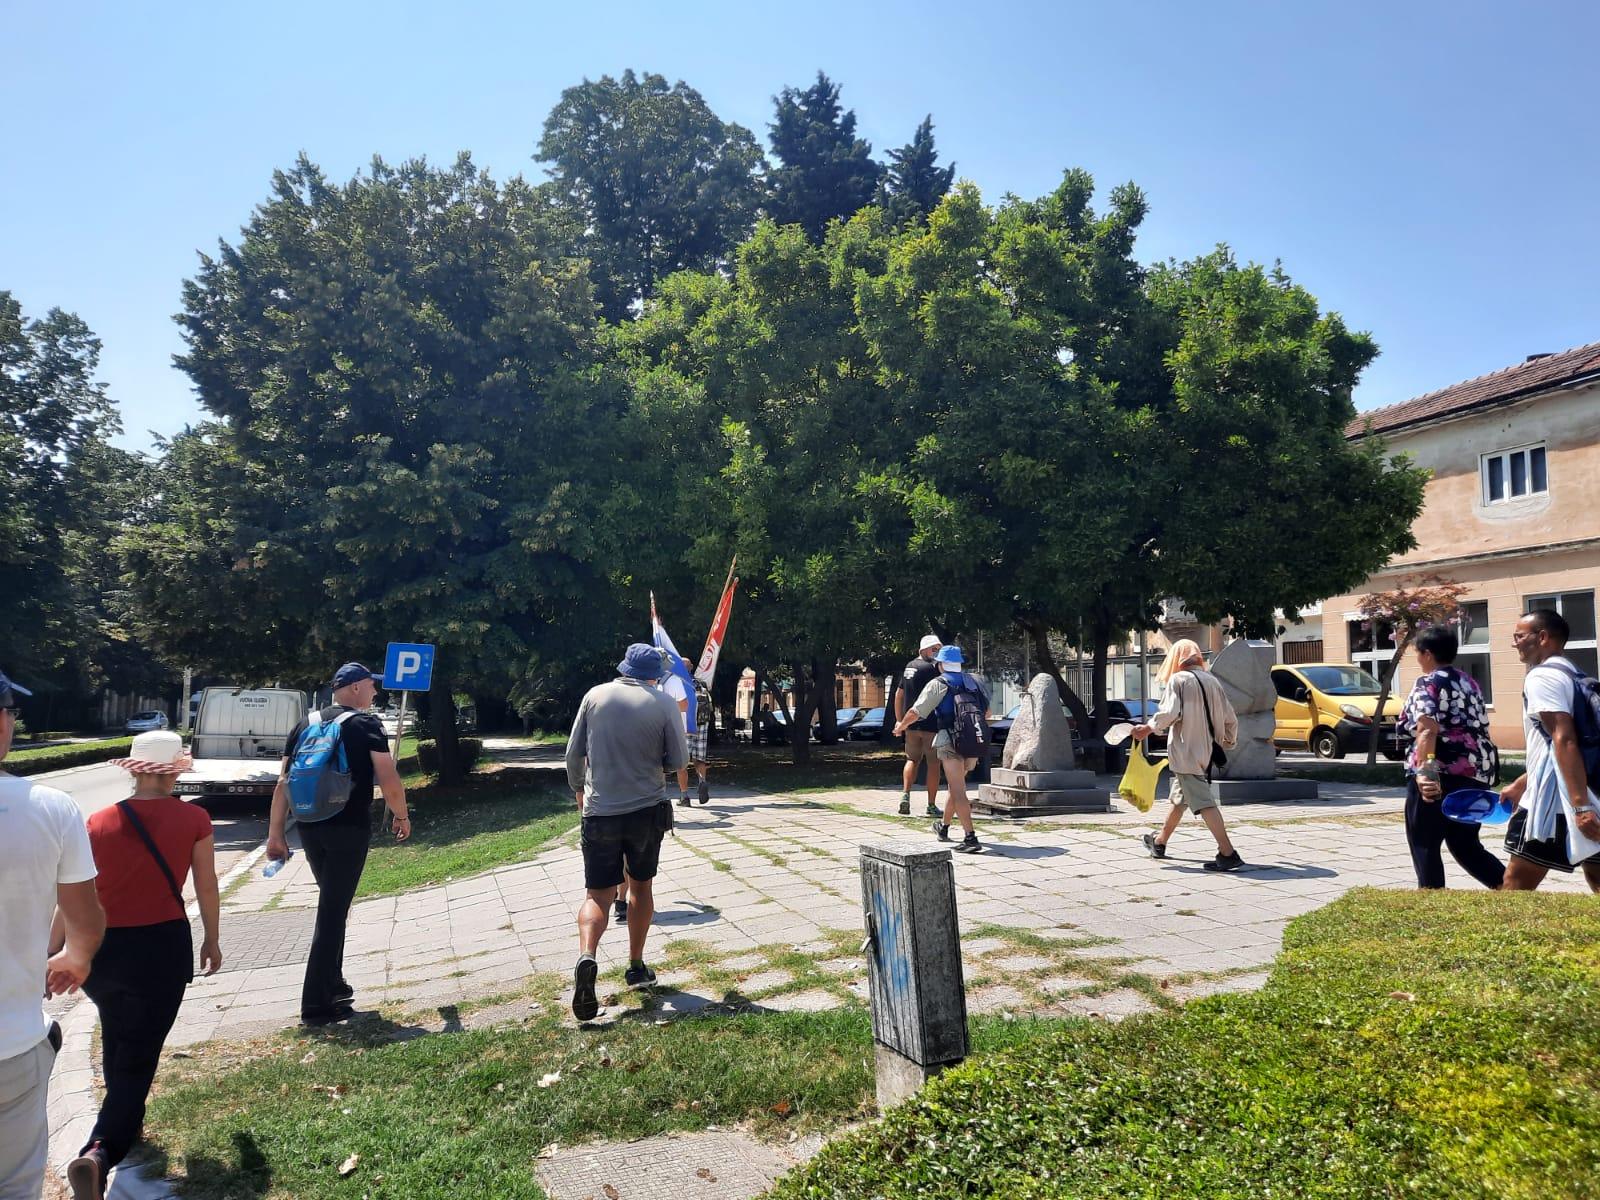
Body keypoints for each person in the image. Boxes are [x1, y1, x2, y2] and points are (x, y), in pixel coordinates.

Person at [63, 731, 221, 1198]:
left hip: (104, 948)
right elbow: (206, 885)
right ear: (174, 773)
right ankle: (100, 1151)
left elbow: (73, 893)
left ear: (135, 771)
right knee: (139, 1054)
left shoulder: (97, 822)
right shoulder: (194, 818)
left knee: (118, 1033)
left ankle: (127, 1122)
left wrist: (61, 950)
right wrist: (211, 939)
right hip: (161, 946)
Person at [0, 667, 104, 1200]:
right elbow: (85, 918)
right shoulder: (51, 808)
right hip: (11, 1046)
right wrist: (76, 956)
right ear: (3, 725)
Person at [265, 663, 412, 1027]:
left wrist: (276, 834)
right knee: (332, 912)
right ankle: (316, 1006)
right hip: (348, 828)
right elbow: (388, 778)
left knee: (335, 906)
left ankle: (334, 984)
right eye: (372, 686)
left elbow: (283, 782)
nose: (375, 692)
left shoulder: (304, 724)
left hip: (310, 827)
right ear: (357, 688)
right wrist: (401, 816)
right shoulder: (366, 725)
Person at [566, 644, 688, 1020]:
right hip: (645, 811)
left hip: (600, 811)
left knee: (598, 894)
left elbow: (573, 754)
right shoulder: (664, 703)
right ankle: (636, 965)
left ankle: (587, 955)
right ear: (656, 675)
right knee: (640, 887)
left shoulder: (595, 696)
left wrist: (579, 789)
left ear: (624, 668)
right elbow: (679, 760)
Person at [1396, 625, 1504, 890]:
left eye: (1418, 653)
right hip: (1476, 770)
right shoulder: (1470, 683)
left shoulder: (1427, 682)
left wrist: (1425, 772)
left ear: (1427, 654)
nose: (1418, 658)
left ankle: (1432, 899)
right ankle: (1511, 888)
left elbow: (1426, 728)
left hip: (1441, 771)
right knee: (1465, 843)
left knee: (1424, 841)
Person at [1500, 610, 1600, 891]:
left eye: (1519, 636)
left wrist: (1581, 807)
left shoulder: (1542, 677)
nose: (1515, 643)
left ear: (1542, 637)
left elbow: (1563, 739)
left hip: (1552, 803)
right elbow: (1554, 746)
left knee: (1516, 886)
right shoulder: (1573, 673)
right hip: (1589, 793)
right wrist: (1522, 782)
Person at [1133, 639, 1244, 871]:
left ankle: (1228, 853)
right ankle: (1159, 842)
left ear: (1177, 657)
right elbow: (1230, 717)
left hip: (1185, 751)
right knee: (1180, 799)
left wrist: (1148, 728)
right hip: (1207, 751)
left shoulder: (1179, 680)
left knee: (1204, 802)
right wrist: (1228, 741)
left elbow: (1169, 712)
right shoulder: (1212, 681)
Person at [891, 645, 988, 854]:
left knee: (958, 790)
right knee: (956, 785)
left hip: (950, 740)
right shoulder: (974, 681)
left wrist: (901, 726)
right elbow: (986, 712)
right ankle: (943, 827)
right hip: (973, 741)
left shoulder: (939, 683)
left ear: (941, 664)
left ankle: (970, 837)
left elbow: (916, 711)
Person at [895, 635, 944, 817]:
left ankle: (905, 796)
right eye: (933, 649)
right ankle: (931, 805)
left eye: (938, 649)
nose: (936, 652)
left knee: (911, 760)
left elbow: (898, 695)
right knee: (934, 764)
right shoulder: (933, 669)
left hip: (911, 724)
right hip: (931, 723)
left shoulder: (909, 666)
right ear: (923, 650)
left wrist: (900, 720)